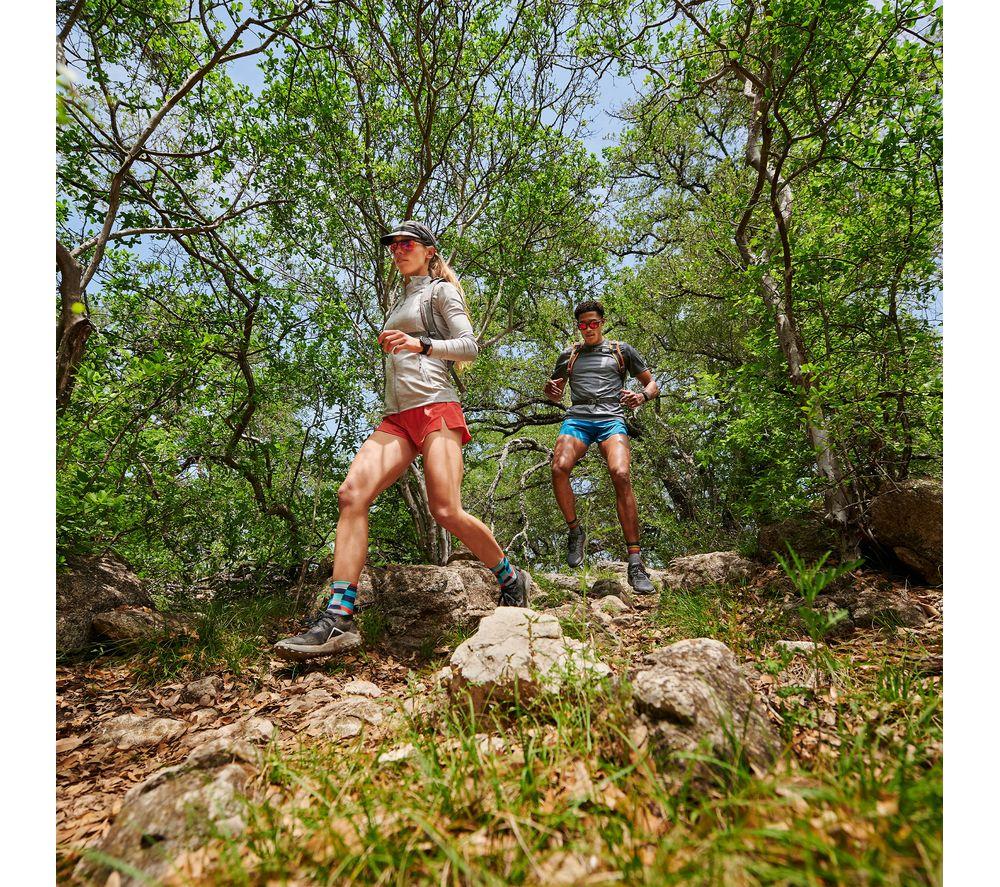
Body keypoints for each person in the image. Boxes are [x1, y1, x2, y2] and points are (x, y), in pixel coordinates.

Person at [275, 220, 529, 661]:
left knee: (445, 509)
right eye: (392, 245)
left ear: (429, 251)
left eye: (406, 243)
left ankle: (509, 577)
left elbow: (469, 346)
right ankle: (338, 617)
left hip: (436, 408)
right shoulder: (400, 299)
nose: (397, 250)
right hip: (396, 417)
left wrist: (420, 344)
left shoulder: (441, 292)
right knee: (351, 494)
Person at [544, 299, 659, 593]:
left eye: (593, 323)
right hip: (578, 418)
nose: (588, 328)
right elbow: (555, 392)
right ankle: (575, 531)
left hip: (611, 419)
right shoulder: (569, 354)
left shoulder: (622, 351)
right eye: (583, 325)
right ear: (578, 327)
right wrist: (551, 390)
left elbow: (652, 385)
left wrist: (641, 397)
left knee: (620, 473)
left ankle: (635, 562)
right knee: (558, 468)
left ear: (602, 323)